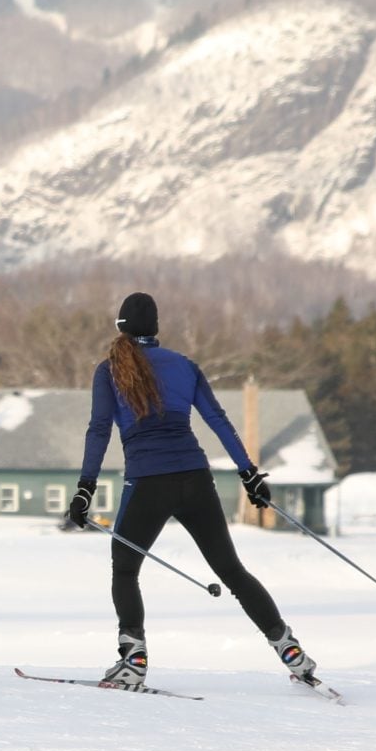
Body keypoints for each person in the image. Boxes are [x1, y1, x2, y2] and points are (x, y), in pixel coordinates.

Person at [61, 291, 322, 693]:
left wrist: (85, 489)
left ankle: (133, 660)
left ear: (121, 330)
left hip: (148, 482)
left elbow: (99, 430)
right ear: (157, 329)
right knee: (232, 571)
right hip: (196, 478)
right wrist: (248, 473)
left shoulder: (108, 370)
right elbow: (218, 420)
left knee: (125, 568)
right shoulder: (184, 366)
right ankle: (290, 649)